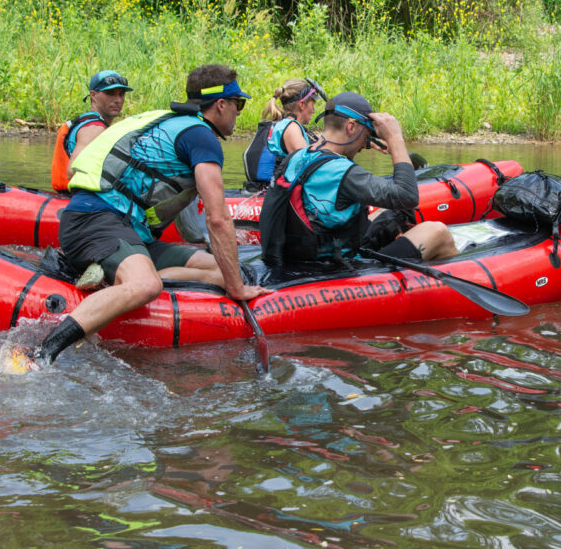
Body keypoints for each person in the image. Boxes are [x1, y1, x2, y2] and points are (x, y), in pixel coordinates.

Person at [23, 64, 273, 369]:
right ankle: (41, 352)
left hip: (127, 228)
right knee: (146, 286)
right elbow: (218, 219)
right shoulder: (200, 137)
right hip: (94, 219)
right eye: (238, 104)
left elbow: (190, 220)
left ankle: (111, 281)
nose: (239, 113)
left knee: (220, 270)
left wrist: (231, 278)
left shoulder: (179, 125)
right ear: (221, 104)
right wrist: (237, 290)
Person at [260, 91, 457, 267]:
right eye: (367, 135)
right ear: (351, 127)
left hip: (299, 259)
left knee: (390, 213)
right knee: (438, 232)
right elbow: (407, 196)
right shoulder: (342, 172)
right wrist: (395, 138)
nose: (365, 144)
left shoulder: (297, 156)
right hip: (333, 269)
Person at [51, 70, 133, 192]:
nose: (118, 100)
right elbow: (72, 171)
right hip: (80, 197)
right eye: (110, 93)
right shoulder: (94, 128)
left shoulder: (89, 121)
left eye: (121, 94)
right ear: (93, 95)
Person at [242, 77, 326, 187]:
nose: (313, 110)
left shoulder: (279, 124)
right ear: (302, 105)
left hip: (259, 190)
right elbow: (308, 168)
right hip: (273, 193)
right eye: (312, 105)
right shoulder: (292, 128)